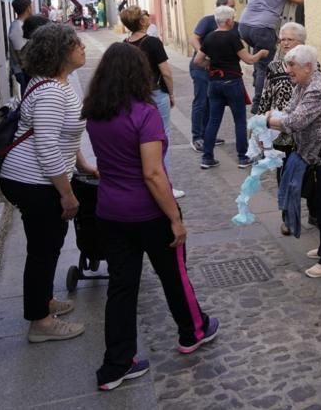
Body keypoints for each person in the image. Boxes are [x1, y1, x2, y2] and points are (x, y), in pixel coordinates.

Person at [83, 43, 219, 392]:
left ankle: (116, 365)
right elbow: (153, 174)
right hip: (148, 212)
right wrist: (175, 218)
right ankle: (193, 330)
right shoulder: (144, 114)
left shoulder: (96, 113)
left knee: (122, 286)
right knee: (174, 275)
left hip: (110, 211)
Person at [0, 24, 98, 343]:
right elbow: (46, 147)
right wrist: (67, 194)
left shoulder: (56, 84)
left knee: (49, 243)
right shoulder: (52, 92)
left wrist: (83, 164)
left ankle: (42, 301)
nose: (82, 47)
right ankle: (40, 322)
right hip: (33, 181)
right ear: (59, 53)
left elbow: (65, 137)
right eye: (75, 43)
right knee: (43, 248)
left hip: (36, 179)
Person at [267, 44, 321, 278]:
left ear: (308, 67)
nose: (287, 69)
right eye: (287, 64)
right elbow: (290, 111)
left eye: (292, 66)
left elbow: (295, 121)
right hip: (313, 154)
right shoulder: (303, 83)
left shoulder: (318, 88)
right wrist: (277, 117)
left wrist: (268, 121)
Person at [252, 21, 312, 235]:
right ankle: (287, 218)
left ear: (301, 41)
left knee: (309, 176)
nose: (285, 43)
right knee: (284, 176)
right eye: (283, 39)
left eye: (290, 39)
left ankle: (314, 211)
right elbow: (266, 96)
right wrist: (260, 126)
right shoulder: (274, 67)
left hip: (304, 132)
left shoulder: (311, 63)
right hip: (280, 131)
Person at [120, 7, 184, 200]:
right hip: (156, 94)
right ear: (141, 22)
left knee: (140, 139)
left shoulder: (125, 44)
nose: (147, 17)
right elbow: (166, 72)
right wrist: (171, 94)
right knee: (161, 139)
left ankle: (146, 181)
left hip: (135, 96)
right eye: (144, 15)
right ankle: (164, 185)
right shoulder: (153, 42)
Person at [195, 5, 269, 170]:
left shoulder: (209, 38)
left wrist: (211, 64)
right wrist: (261, 54)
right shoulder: (232, 37)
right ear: (228, 20)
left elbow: (197, 61)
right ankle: (243, 157)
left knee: (213, 121)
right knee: (239, 120)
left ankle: (207, 157)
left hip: (214, 83)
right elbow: (249, 60)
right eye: (233, 18)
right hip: (232, 83)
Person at [239, 0, 306, 110]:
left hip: (244, 27)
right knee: (265, 67)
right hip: (261, 28)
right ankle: (259, 103)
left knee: (259, 57)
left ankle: (258, 87)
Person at [189, 0, 237, 152]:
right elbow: (194, 38)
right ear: (221, 7)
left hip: (215, 70)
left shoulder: (232, 24)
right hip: (201, 67)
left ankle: (207, 134)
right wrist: (202, 52)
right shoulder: (208, 21)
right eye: (231, 6)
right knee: (201, 102)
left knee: (211, 102)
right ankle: (197, 137)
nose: (233, 10)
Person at [9, 0, 33, 92]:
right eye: (31, 6)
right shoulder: (17, 27)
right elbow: (20, 53)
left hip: (26, 70)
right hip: (23, 71)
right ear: (27, 8)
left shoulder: (21, 25)